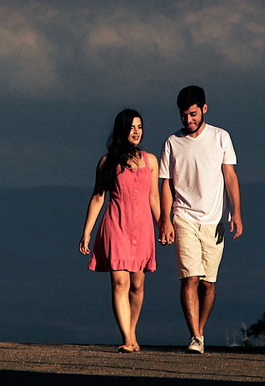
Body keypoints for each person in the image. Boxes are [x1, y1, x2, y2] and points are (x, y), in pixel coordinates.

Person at [158, 85, 242, 354]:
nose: (188, 120)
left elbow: (230, 176)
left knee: (208, 283)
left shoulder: (221, 137)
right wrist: (165, 220)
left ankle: (200, 331)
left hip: (214, 219)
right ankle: (194, 336)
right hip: (183, 216)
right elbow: (166, 183)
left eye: (193, 114)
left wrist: (236, 213)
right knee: (189, 278)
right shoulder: (172, 142)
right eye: (184, 115)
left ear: (204, 108)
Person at [80, 108, 161, 352]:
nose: (136, 132)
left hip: (143, 228)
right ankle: (126, 337)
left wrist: (164, 225)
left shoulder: (150, 161)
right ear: (121, 130)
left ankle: (132, 330)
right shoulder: (107, 162)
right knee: (119, 282)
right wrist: (87, 232)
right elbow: (98, 197)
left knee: (137, 285)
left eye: (139, 127)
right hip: (116, 224)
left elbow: (154, 198)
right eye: (131, 127)